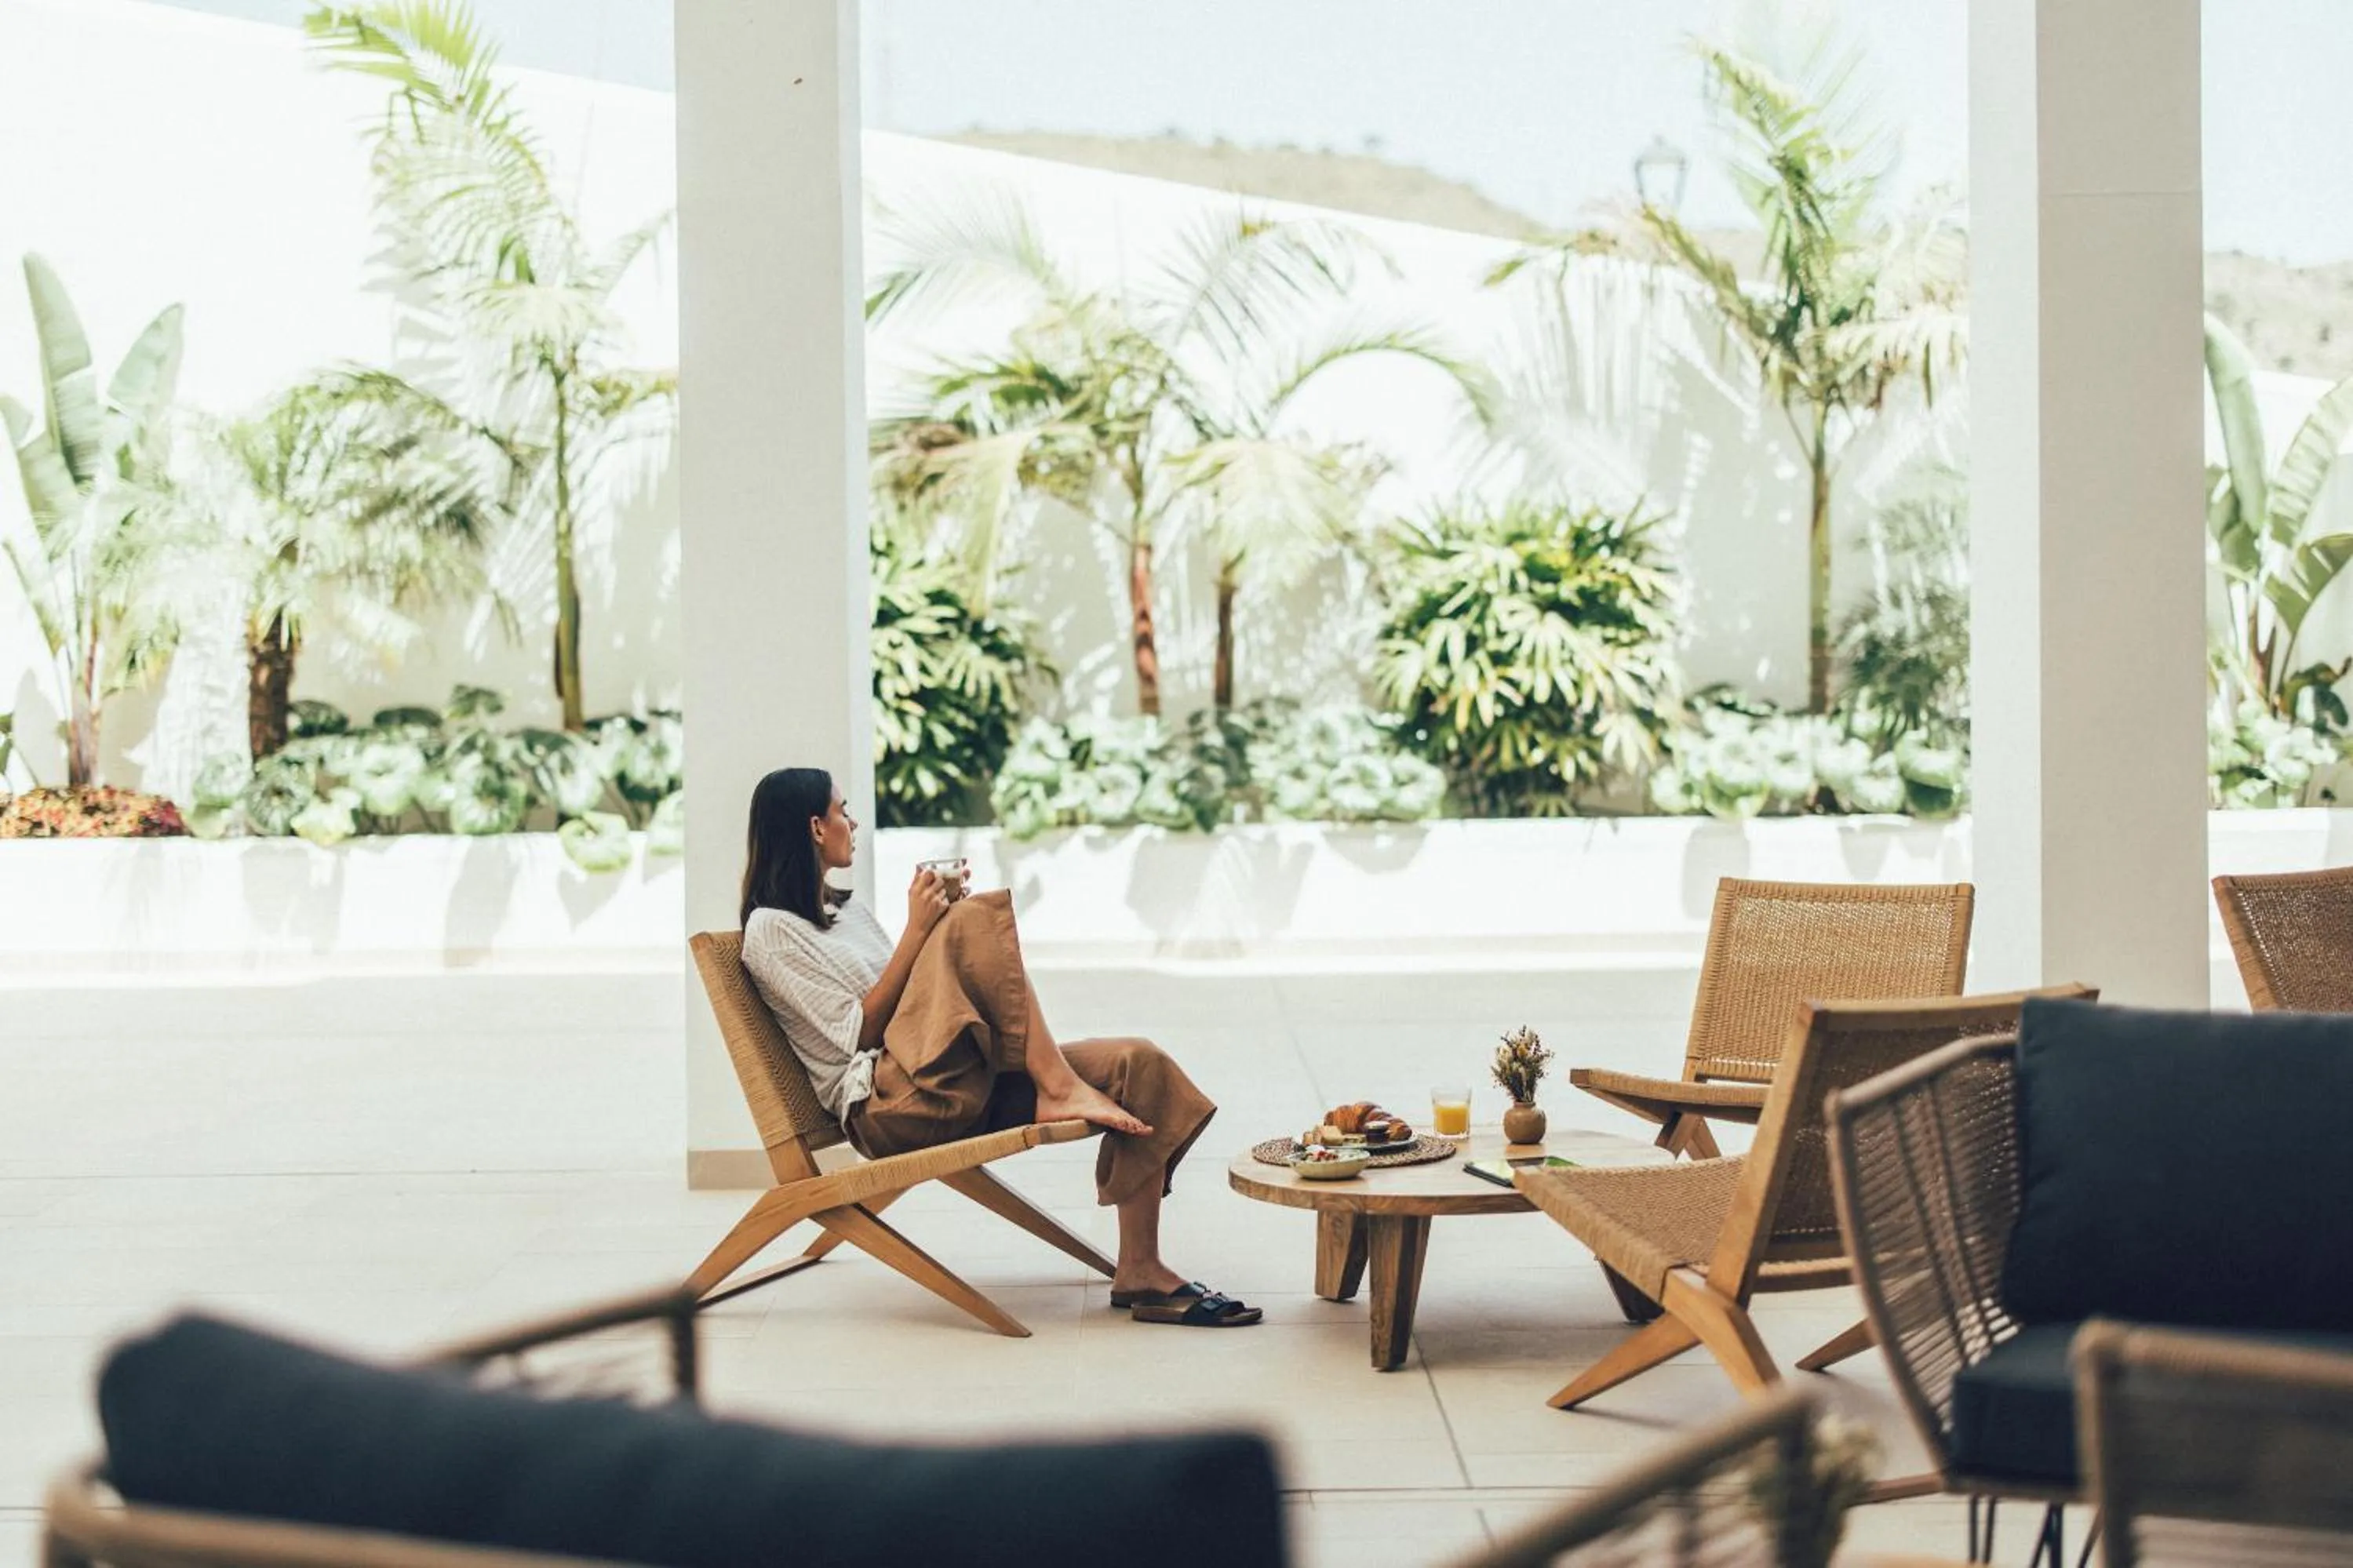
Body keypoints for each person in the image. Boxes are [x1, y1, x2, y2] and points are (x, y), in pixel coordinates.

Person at [738, 766, 1261, 1328]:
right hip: (891, 1106)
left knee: (1138, 1063)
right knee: (971, 921)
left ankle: (1140, 1269)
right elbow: (861, 1033)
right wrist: (926, 931)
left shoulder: (848, 913)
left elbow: (910, 995)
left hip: (943, 1074)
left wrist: (945, 934)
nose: (853, 822)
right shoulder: (770, 930)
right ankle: (1056, 1084)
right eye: (843, 810)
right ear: (816, 827)